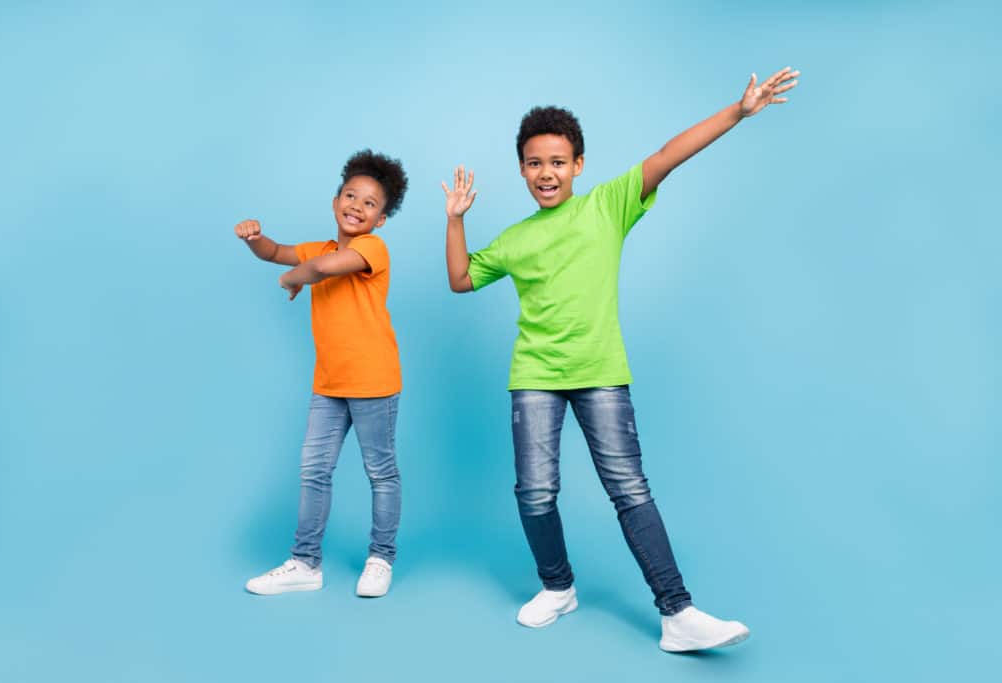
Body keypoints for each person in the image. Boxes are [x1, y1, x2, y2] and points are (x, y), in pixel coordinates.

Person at [442, 67, 799, 651]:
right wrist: (455, 218)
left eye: (558, 161)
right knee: (534, 492)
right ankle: (557, 588)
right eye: (534, 163)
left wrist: (737, 113)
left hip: (601, 373)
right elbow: (459, 279)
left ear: (578, 165)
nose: (546, 173)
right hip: (535, 375)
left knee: (629, 488)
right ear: (522, 171)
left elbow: (667, 155)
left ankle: (678, 614)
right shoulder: (513, 238)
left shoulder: (608, 206)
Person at [238, 149, 408, 599]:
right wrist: (255, 238)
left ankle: (380, 558)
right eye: (350, 196)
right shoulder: (318, 248)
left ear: (382, 219)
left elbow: (326, 269)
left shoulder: (373, 248)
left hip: (374, 382)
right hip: (329, 384)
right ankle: (305, 562)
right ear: (335, 201)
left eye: (370, 203)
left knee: (381, 472)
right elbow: (275, 252)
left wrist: (294, 278)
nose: (357, 206)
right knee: (314, 470)